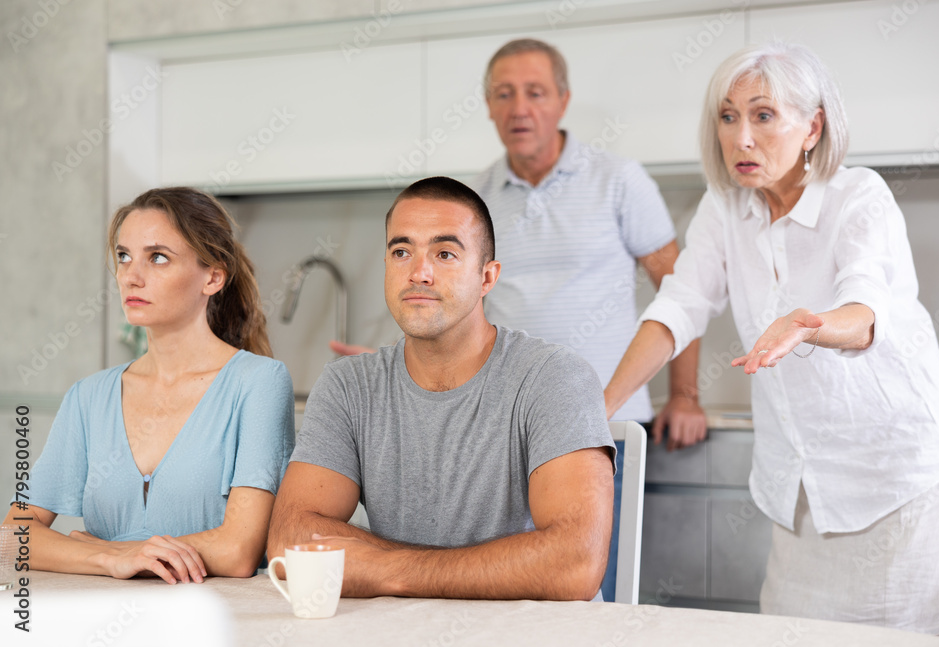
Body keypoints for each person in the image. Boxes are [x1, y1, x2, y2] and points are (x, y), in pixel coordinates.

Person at [603, 41, 939, 634]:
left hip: (904, 475)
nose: (741, 138)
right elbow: (678, 308)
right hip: (806, 487)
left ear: (813, 126)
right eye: (728, 117)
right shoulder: (724, 208)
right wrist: (597, 409)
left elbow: (864, 313)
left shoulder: (858, 197)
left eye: (763, 115)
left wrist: (810, 323)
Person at [269, 176, 615, 600]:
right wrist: (454, 570)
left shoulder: (554, 378)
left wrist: (387, 571)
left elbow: (575, 564)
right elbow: (289, 543)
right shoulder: (347, 386)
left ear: (487, 277)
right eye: (401, 251)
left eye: (445, 253)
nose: (419, 273)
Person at [5, 187, 295, 583]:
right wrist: (109, 558)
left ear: (212, 276)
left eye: (157, 257)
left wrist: (108, 547)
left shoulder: (259, 383)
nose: (131, 276)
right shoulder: (88, 397)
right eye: (124, 256)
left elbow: (238, 551)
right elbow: (12, 537)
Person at [469, 38, 707, 450]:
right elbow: (463, 313)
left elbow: (682, 292)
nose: (518, 109)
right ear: (489, 105)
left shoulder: (619, 180)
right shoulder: (474, 200)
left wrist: (685, 397)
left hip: (608, 424)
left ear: (563, 101)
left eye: (535, 92)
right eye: (503, 94)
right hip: (507, 428)